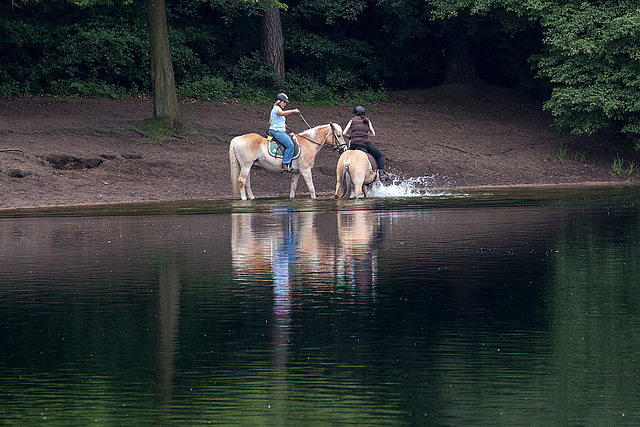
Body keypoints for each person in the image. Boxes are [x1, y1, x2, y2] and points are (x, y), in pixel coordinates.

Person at [343, 105, 387, 181]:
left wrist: (350, 137)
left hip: (353, 144)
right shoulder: (367, 121)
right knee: (380, 156)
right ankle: (381, 173)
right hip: (365, 143)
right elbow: (373, 134)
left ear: (356, 114)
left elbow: (344, 133)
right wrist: (366, 134)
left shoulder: (352, 120)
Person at [269, 93, 300, 172]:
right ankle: (285, 164)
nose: (285, 104)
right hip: (278, 131)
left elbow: (270, 122)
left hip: (275, 129)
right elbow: (281, 113)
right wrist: (293, 111)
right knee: (290, 145)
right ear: (279, 102)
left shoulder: (274, 109)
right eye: (284, 102)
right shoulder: (277, 109)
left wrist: (282, 124)